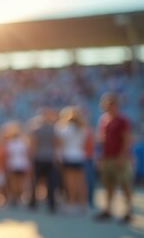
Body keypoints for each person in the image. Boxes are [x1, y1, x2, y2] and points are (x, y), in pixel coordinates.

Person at [95, 93, 133, 223]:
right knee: (108, 184)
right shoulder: (104, 120)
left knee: (124, 184)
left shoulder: (122, 120)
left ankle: (128, 210)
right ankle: (108, 209)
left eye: (112, 104)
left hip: (119, 157)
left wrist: (122, 156)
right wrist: (100, 156)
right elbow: (101, 139)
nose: (110, 106)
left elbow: (127, 139)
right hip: (107, 157)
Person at [55, 106, 88, 214]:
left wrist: (58, 156)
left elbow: (60, 144)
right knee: (80, 181)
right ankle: (82, 204)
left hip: (68, 156)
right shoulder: (83, 127)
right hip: (79, 156)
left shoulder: (63, 127)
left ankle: (72, 202)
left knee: (70, 181)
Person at [27, 108, 58, 213]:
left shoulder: (36, 129)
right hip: (49, 158)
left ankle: (33, 202)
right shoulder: (53, 128)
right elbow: (56, 144)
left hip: (39, 158)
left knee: (35, 182)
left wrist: (30, 158)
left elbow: (33, 145)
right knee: (51, 182)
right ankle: (51, 204)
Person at [2, 122, 29, 206]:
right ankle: (17, 197)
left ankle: (15, 197)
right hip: (21, 165)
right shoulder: (23, 142)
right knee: (20, 182)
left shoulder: (10, 143)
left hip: (14, 164)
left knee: (14, 182)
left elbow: (8, 155)